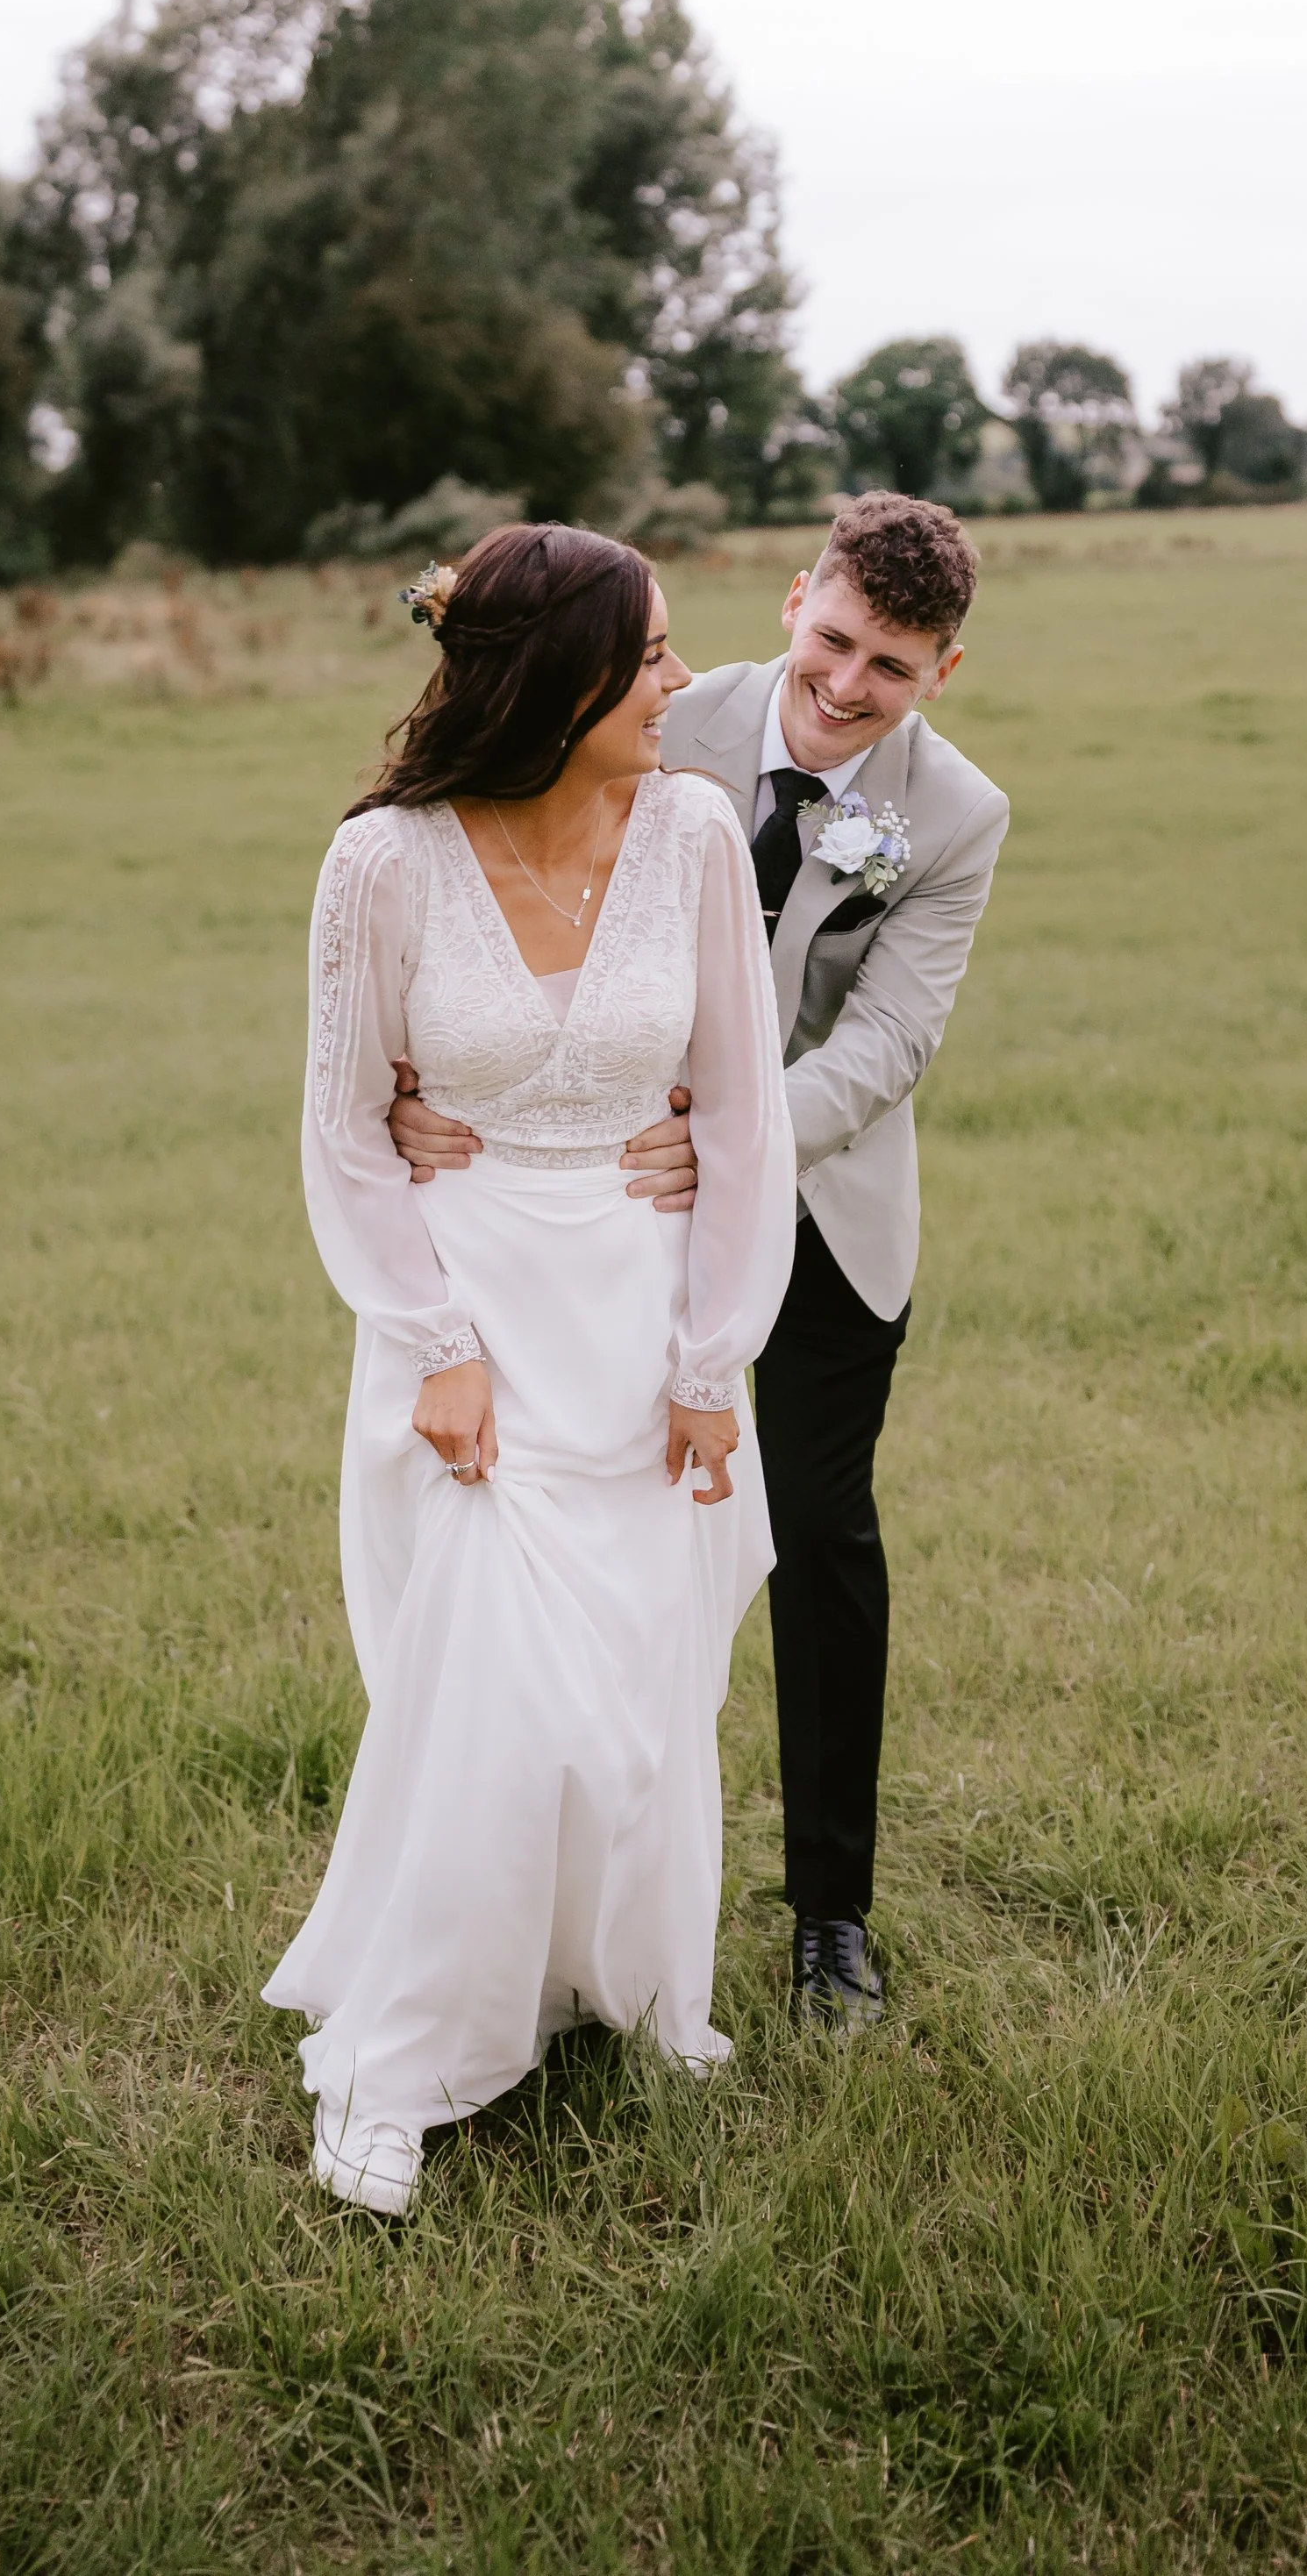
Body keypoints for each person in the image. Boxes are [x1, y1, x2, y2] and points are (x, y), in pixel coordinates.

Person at [391, 493, 1007, 2032]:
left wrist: (737, 1136)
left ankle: (831, 1919)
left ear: (946, 668)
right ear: (800, 598)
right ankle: (563, 1912)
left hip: (815, 1215)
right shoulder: (656, 707)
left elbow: (892, 1037)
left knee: (820, 1542)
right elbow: (487, 878)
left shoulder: (959, 815)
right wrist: (425, 1082)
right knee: (585, 1529)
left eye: (896, 664)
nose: (849, 683)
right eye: (835, 638)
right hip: (600, 1203)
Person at [263, 523, 795, 2216]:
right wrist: (432, 1344)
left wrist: (716, 1354)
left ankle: (630, 1990)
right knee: (488, 1704)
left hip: (642, 1316)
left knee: (638, 1694)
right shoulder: (385, 865)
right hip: (462, 1316)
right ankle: (396, 2065)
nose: (682, 680)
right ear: (555, 677)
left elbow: (744, 1114)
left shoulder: (698, 832)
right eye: (648, 653)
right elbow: (345, 1134)